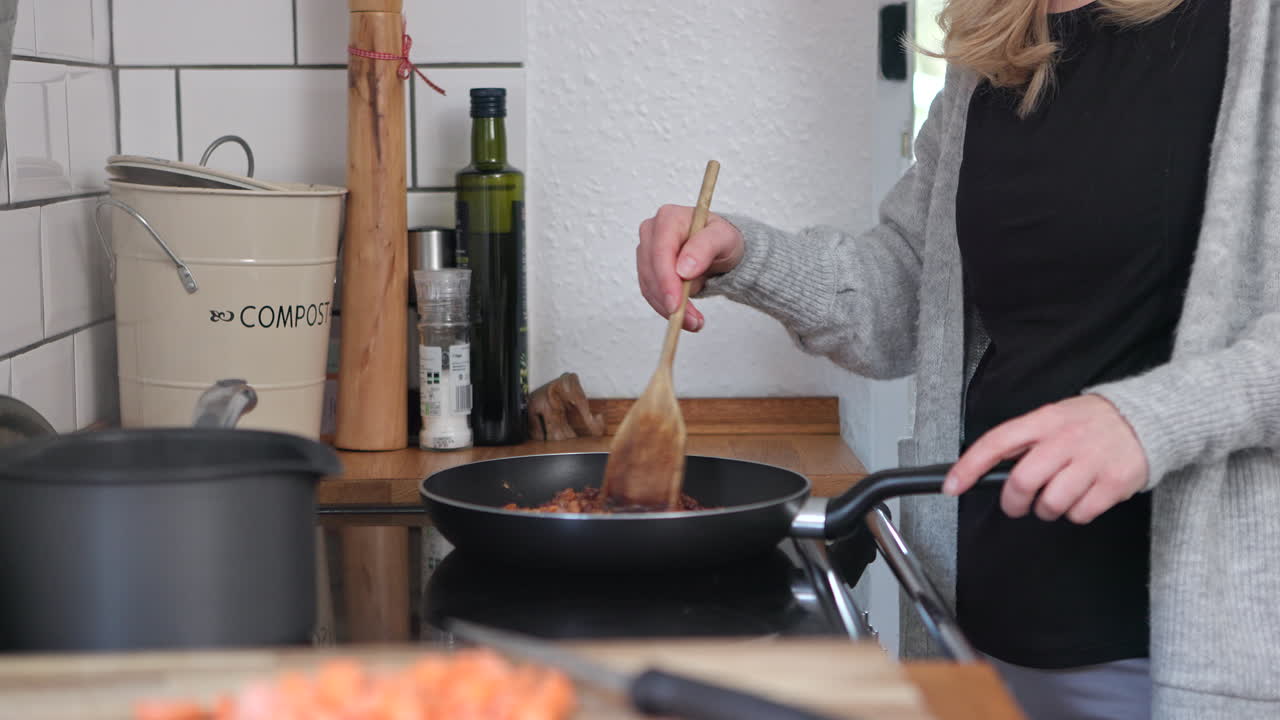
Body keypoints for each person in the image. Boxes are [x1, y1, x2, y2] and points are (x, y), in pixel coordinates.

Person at [634, 0, 1280, 717]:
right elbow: (909, 292)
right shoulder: (995, 48)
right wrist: (746, 256)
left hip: (1190, 656)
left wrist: (1150, 419)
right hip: (978, 624)